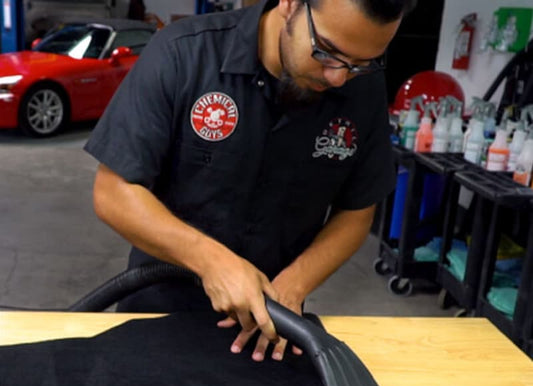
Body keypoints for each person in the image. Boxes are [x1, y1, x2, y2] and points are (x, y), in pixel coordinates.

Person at [85, 0, 415, 363]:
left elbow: (356, 211)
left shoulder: (361, 85)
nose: (338, 77)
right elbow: (113, 192)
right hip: (159, 313)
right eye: (327, 51)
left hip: (270, 328)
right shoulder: (184, 53)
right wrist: (211, 261)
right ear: (290, 4)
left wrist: (294, 285)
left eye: (360, 63)